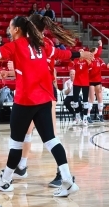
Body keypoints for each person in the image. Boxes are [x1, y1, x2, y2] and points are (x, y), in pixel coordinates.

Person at [0, 16, 78, 197]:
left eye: (10, 27)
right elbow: (62, 55)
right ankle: (67, 179)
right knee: (51, 140)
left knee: (16, 143)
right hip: (44, 98)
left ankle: (5, 181)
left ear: (17, 29)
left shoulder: (16, 45)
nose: (8, 30)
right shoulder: (42, 44)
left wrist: (1, 52)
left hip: (25, 99)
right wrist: (80, 54)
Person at [5, 14, 93, 188]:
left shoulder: (43, 44)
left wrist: (78, 54)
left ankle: (62, 173)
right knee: (26, 132)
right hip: (33, 92)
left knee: (50, 135)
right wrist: (11, 72)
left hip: (44, 92)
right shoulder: (32, 44)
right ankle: (21, 166)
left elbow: (43, 71)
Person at [87, 40, 109, 123]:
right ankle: (88, 115)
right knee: (91, 98)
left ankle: (100, 115)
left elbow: (105, 66)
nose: (98, 51)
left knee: (100, 97)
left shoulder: (99, 60)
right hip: (91, 81)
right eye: (96, 50)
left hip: (98, 81)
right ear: (92, 52)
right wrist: (100, 45)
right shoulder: (89, 60)